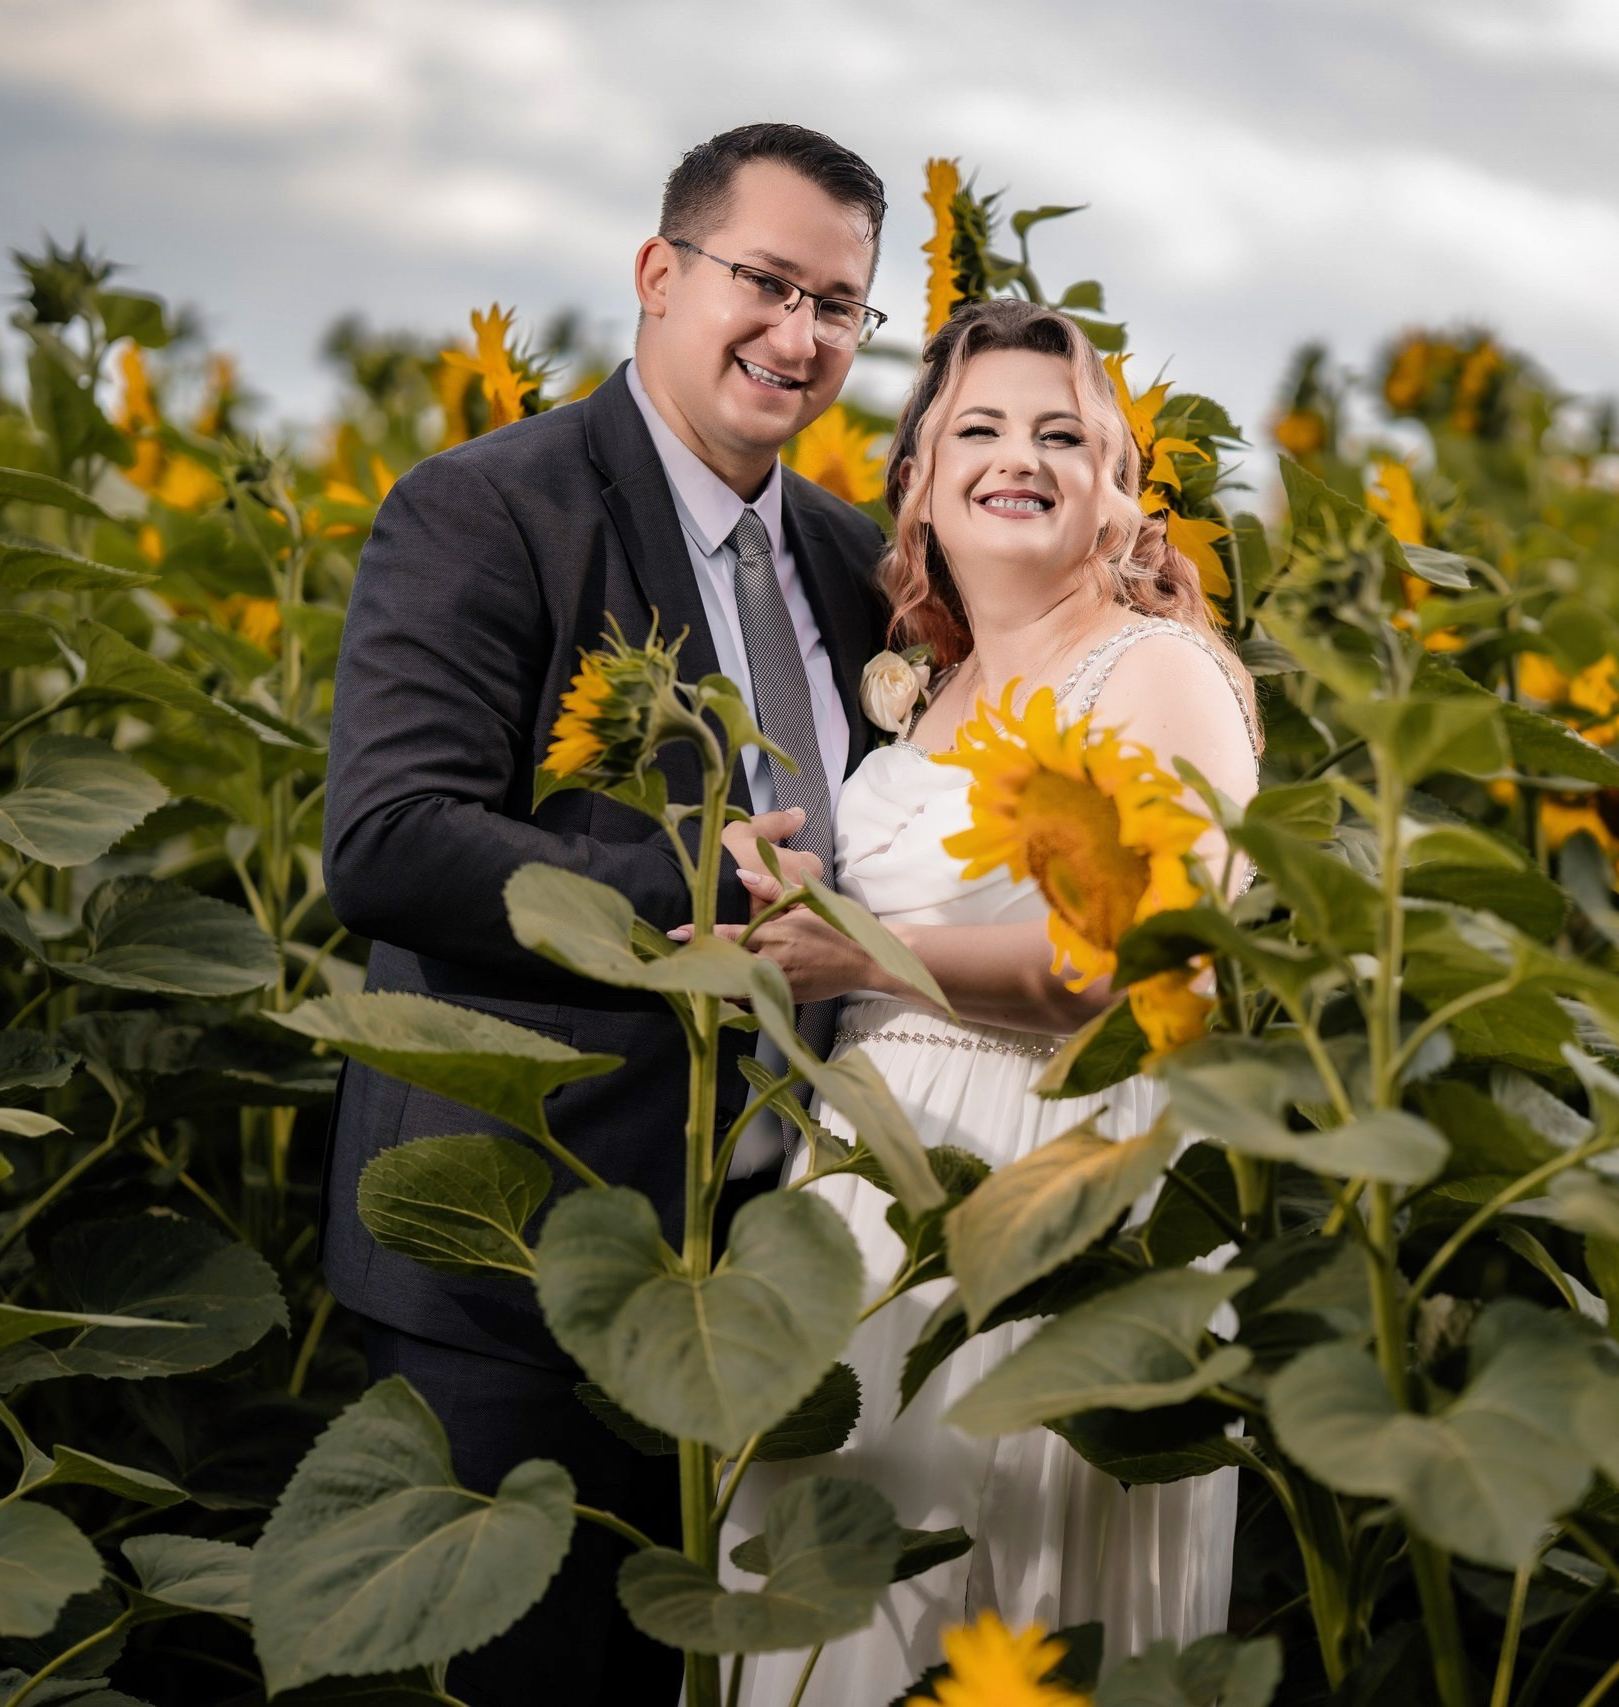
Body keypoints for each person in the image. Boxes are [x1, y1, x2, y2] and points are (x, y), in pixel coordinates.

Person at [317, 123, 890, 1706]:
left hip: (766, 1279)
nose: (799, 336)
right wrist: (700, 891)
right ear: (658, 272)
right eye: (765, 282)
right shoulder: (490, 508)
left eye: (840, 305)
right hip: (528, 1261)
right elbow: (389, 841)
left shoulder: (850, 560)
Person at [698, 298, 1261, 1703]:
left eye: (1063, 435)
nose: (1022, 458)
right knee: (828, 1615)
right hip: (864, 1200)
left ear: (1117, 488)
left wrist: (861, 951)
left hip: (1049, 1185)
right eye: (982, 430)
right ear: (921, 481)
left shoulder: (1157, 672)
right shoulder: (930, 693)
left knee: (1008, 1603)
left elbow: (1157, 961)